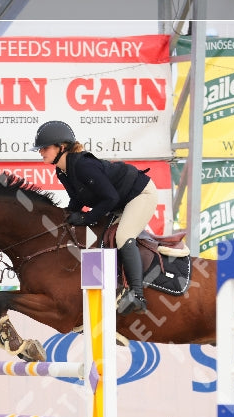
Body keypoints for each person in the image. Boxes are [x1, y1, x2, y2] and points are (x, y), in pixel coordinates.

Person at [32, 120, 157, 315]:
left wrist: (86, 218)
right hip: (118, 202)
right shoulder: (62, 171)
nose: (41, 152)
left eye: (45, 148)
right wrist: (62, 217)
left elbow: (110, 197)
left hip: (140, 194)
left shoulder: (83, 165)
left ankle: (137, 296)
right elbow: (76, 200)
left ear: (61, 147)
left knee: (123, 236)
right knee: (100, 237)